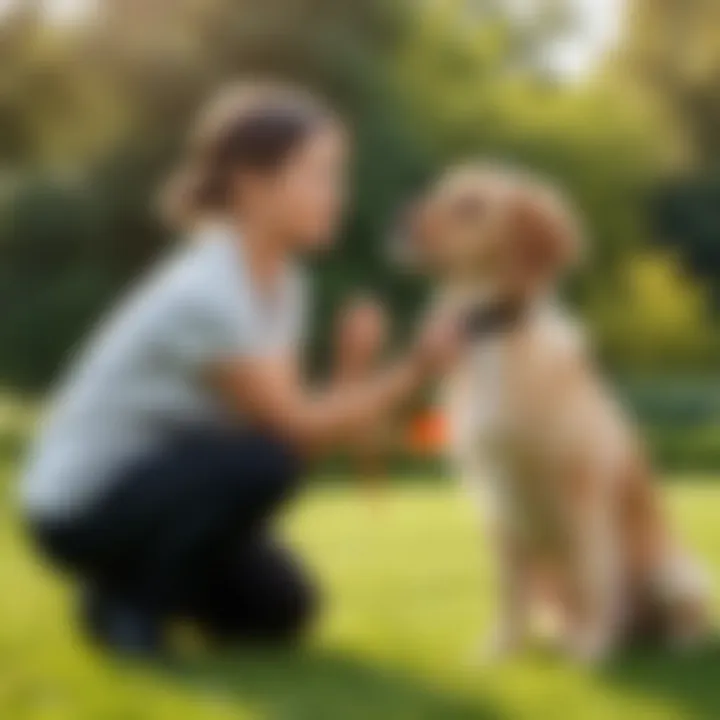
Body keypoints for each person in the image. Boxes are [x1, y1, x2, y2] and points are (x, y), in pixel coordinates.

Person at [20, 82, 461, 656]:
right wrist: (415, 368)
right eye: (319, 175)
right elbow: (290, 434)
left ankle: (144, 585)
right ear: (253, 186)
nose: (337, 196)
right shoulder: (209, 292)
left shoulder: (284, 285)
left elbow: (303, 442)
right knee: (260, 459)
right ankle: (125, 603)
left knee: (282, 609)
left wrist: (355, 367)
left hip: (162, 494)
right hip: (78, 511)